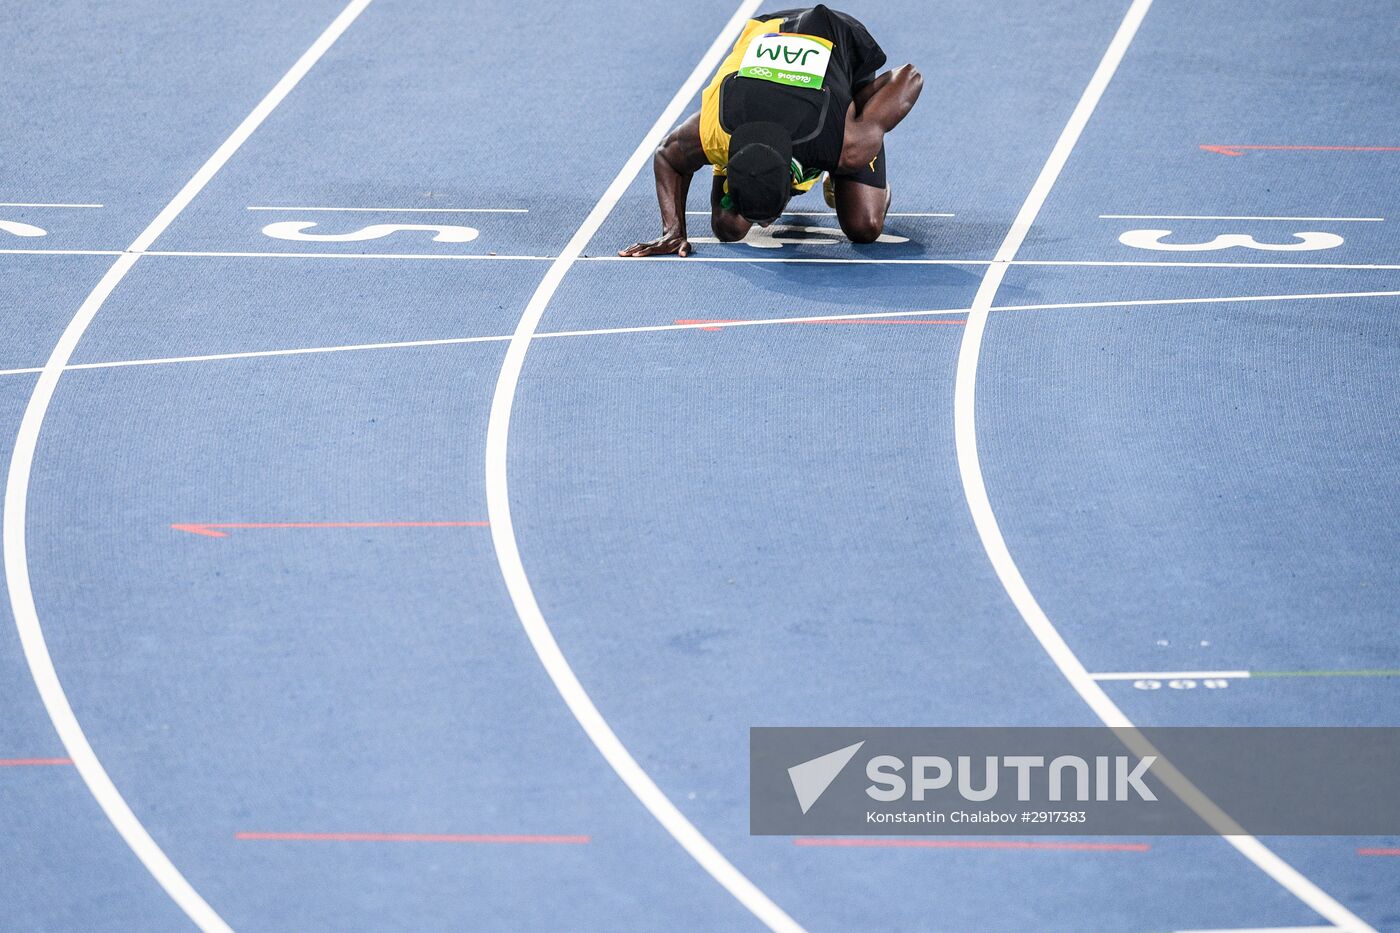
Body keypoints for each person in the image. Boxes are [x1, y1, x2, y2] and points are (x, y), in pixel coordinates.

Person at [620, 5, 922, 257]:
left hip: (837, 38)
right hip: (769, 30)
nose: (765, 227)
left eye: (769, 217)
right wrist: (673, 232)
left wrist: (867, 120)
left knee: (863, 227)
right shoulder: (716, 129)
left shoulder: (847, 145)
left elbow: (910, 76)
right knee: (728, 227)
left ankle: (840, 152)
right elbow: (667, 156)